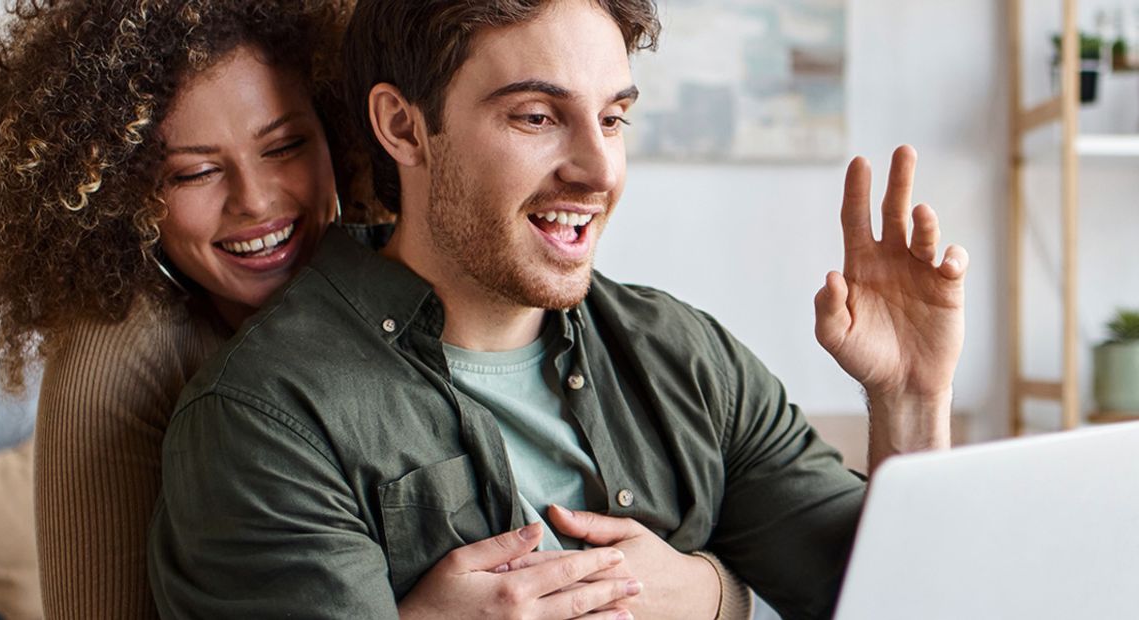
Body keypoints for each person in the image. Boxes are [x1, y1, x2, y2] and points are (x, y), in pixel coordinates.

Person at [149, 1, 969, 620]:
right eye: (536, 117)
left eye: (613, 117)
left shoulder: (683, 354)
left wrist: (909, 400)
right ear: (403, 127)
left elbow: (898, 602)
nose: (599, 169)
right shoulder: (267, 416)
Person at [0, 1, 364, 616]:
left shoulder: (394, 275)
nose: (257, 200)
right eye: (196, 173)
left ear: (338, 131)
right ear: (120, 196)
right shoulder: (115, 358)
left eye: (285, 146)